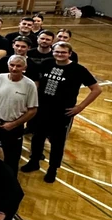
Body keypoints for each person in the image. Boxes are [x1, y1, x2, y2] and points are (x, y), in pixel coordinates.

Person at [21, 42, 100, 182]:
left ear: (70, 54)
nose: (59, 54)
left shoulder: (78, 70)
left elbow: (96, 89)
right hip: (42, 108)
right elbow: (36, 81)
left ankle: (53, 169)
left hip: (62, 112)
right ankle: (34, 162)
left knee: (57, 142)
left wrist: (80, 107)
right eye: (57, 52)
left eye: (63, 52)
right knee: (37, 137)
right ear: (53, 52)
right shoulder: (46, 63)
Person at [0, 55, 38, 173]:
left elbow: (33, 110)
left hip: (13, 127)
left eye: (18, 66)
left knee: (12, 159)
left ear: (24, 68)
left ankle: (9, 181)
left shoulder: (30, 85)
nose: (14, 68)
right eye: (12, 65)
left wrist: (14, 124)